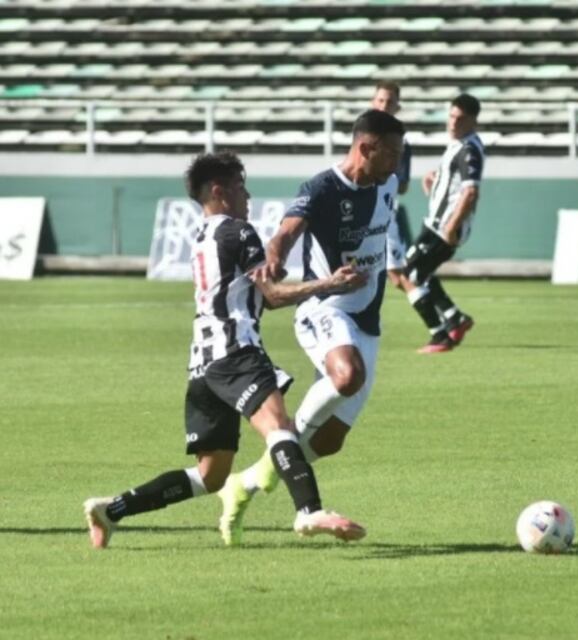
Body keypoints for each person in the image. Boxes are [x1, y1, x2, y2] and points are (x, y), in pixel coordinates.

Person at [83, 151, 369, 549]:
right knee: (279, 428)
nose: (247, 195)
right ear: (219, 191)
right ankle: (309, 512)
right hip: (236, 351)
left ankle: (110, 510)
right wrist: (330, 284)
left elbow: (254, 290)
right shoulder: (239, 231)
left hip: (202, 364)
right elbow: (271, 296)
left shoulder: (202, 236)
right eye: (240, 186)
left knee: (212, 476)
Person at [217, 109, 404, 546]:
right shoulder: (321, 188)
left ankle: (245, 483)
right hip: (323, 306)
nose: (398, 163)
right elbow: (286, 231)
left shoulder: (389, 182)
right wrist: (277, 255)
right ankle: (284, 446)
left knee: (331, 440)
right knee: (347, 376)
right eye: (391, 154)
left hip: (367, 320)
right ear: (365, 148)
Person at [402, 93, 486, 354]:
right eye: (451, 116)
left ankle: (441, 335)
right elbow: (454, 185)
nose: (453, 123)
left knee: (413, 275)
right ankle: (454, 318)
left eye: (459, 118)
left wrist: (451, 226)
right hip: (435, 224)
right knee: (416, 273)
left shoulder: (469, 149)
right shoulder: (458, 144)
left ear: (472, 120)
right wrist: (435, 180)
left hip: (444, 228)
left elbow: (470, 192)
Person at [371, 80, 415, 293]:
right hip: (358, 213)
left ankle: (442, 316)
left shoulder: (401, 143)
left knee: (396, 273)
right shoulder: (361, 135)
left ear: (397, 106)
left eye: (389, 102)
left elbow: (403, 186)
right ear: (373, 102)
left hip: (383, 214)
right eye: (380, 100)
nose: (384, 106)